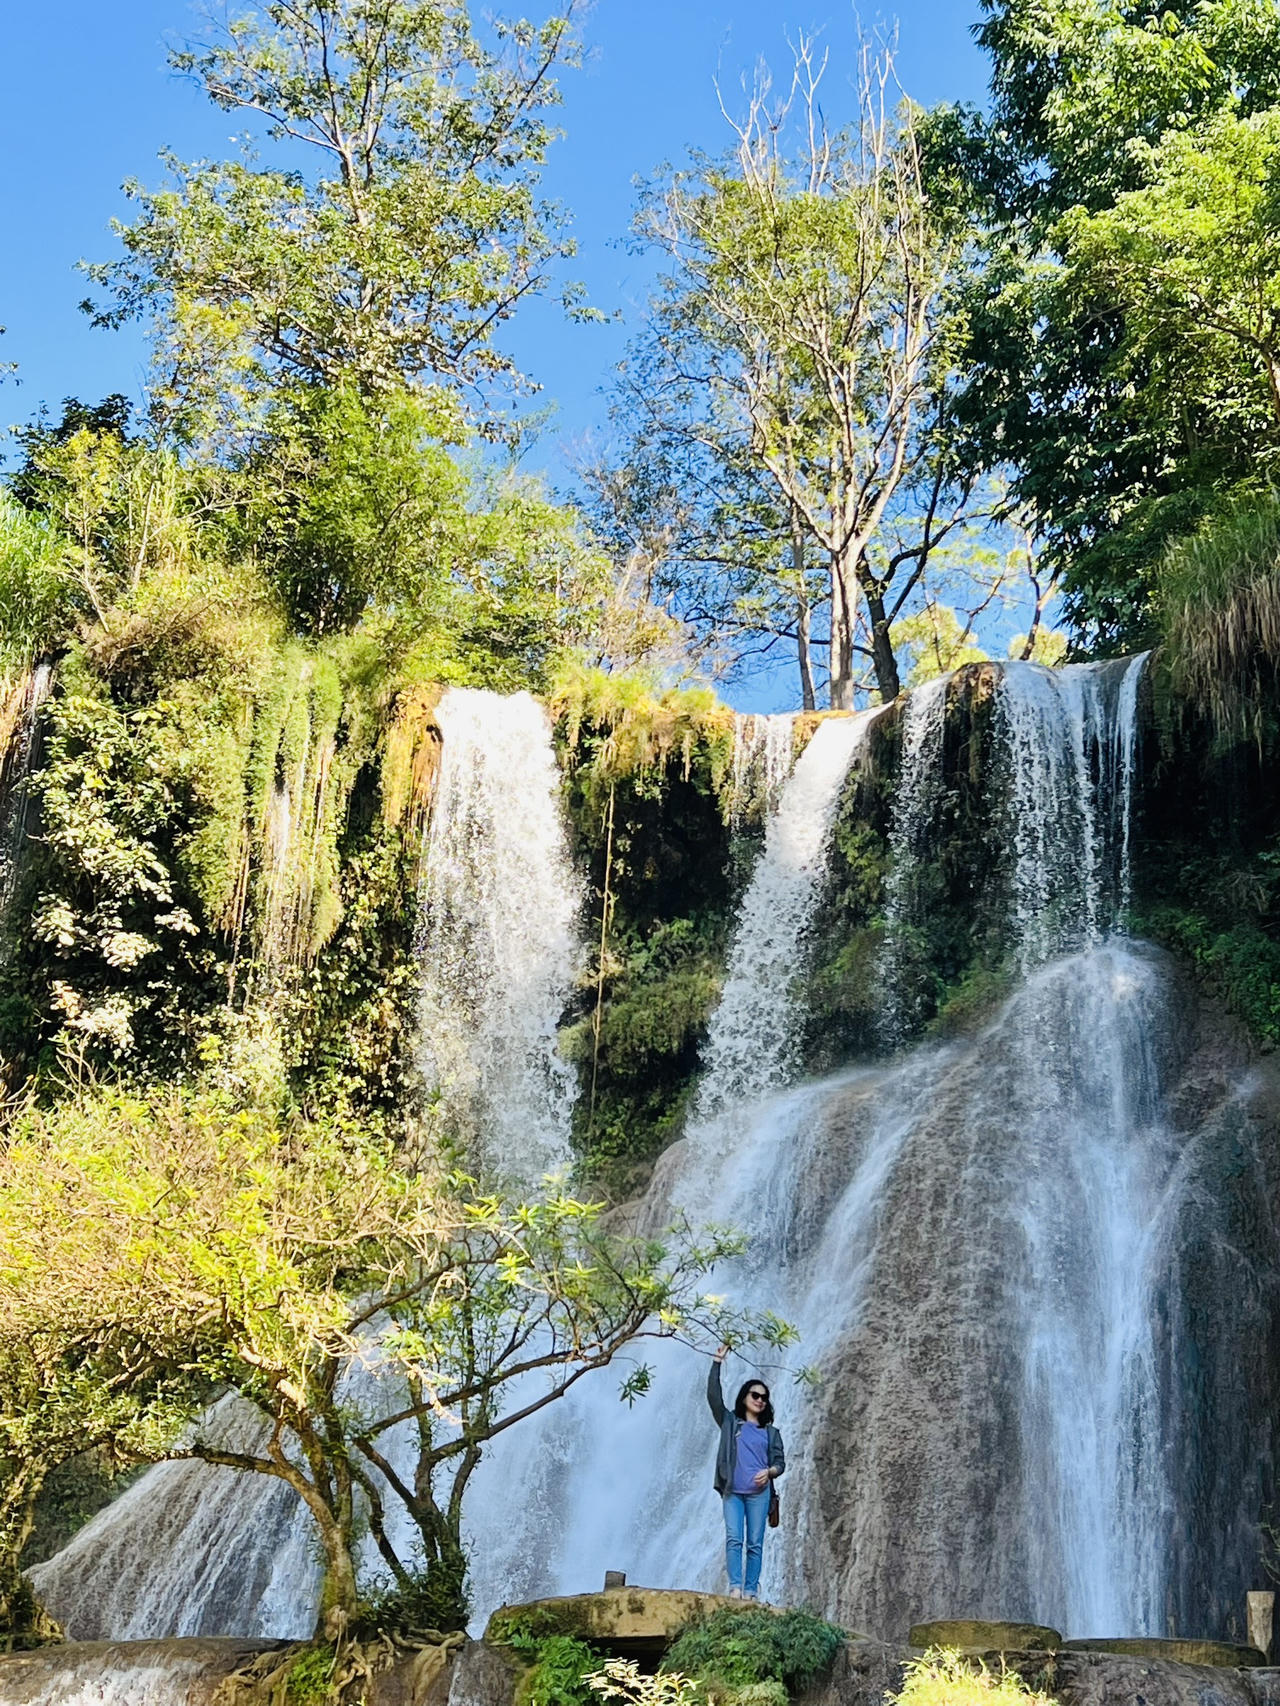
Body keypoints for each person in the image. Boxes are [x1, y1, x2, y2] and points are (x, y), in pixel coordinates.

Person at [706, 1343, 785, 1601]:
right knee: (734, 1539)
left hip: (759, 1494)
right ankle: (735, 1588)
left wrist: (770, 1472)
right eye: (755, 1395)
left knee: (755, 1543)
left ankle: (751, 1591)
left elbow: (780, 1463)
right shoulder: (730, 1423)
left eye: (764, 1397)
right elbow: (714, 1398)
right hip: (733, 1491)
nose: (760, 1400)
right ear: (744, 1397)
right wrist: (717, 1363)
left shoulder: (771, 1433)